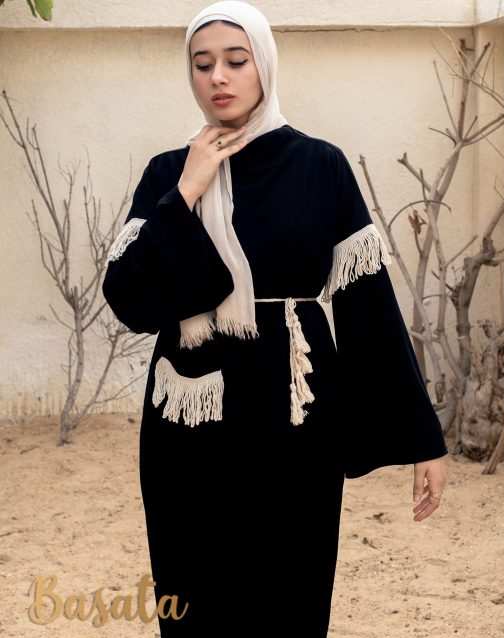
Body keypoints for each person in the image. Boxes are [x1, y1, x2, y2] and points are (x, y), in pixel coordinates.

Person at [102, 1, 448, 636]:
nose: (218, 77)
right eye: (202, 64)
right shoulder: (168, 172)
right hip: (190, 421)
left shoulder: (320, 166)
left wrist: (421, 438)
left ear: (264, 65)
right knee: (193, 594)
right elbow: (131, 300)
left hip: (294, 414)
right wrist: (188, 191)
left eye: (236, 61)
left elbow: (368, 307)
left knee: (291, 593)